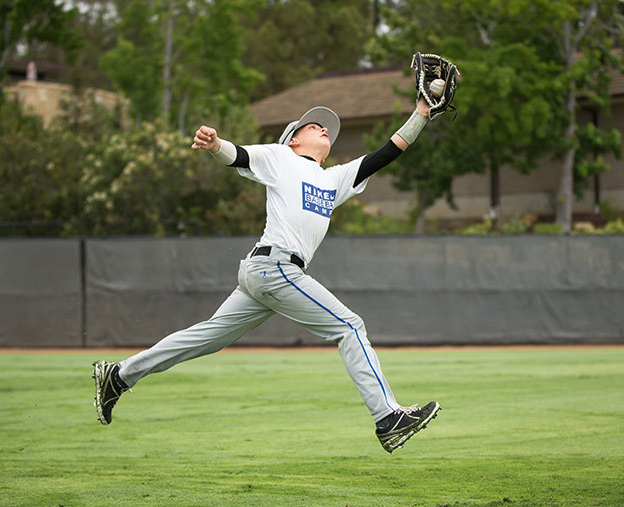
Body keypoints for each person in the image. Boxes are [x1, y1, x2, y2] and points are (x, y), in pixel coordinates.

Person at [93, 97, 440, 453]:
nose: (323, 129)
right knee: (349, 326)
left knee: (208, 338)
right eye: (313, 126)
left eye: (327, 129)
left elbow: (387, 151)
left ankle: (119, 375)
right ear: (293, 139)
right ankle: (387, 417)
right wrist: (215, 145)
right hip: (274, 267)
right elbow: (239, 155)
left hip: (266, 273)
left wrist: (421, 114)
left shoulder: (334, 179)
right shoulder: (280, 158)